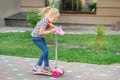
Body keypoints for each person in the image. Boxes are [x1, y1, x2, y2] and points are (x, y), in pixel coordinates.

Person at [31, 6, 60, 73]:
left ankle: (46, 67)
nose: (54, 21)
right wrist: (51, 31)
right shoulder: (44, 22)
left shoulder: (47, 20)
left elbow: (50, 24)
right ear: (50, 16)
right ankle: (37, 66)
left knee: (46, 51)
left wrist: (56, 27)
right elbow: (41, 32)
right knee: (45, 51)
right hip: (36, 38)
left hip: (40, 37)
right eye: (54, 19)